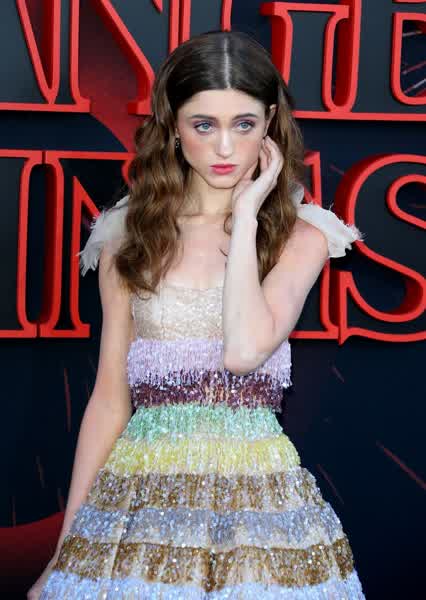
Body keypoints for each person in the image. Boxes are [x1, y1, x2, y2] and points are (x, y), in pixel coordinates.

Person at [30, 29, 366, 599]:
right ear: (173, 125)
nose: (226, 149)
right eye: (204, 125)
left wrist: (248, 213)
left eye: (244, 124)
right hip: (141, 507)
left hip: (257, 512)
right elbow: (110, 397)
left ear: (270, 124)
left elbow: (243, 351)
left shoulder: (301, 237)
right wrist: (64, 554)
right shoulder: (128, 236)